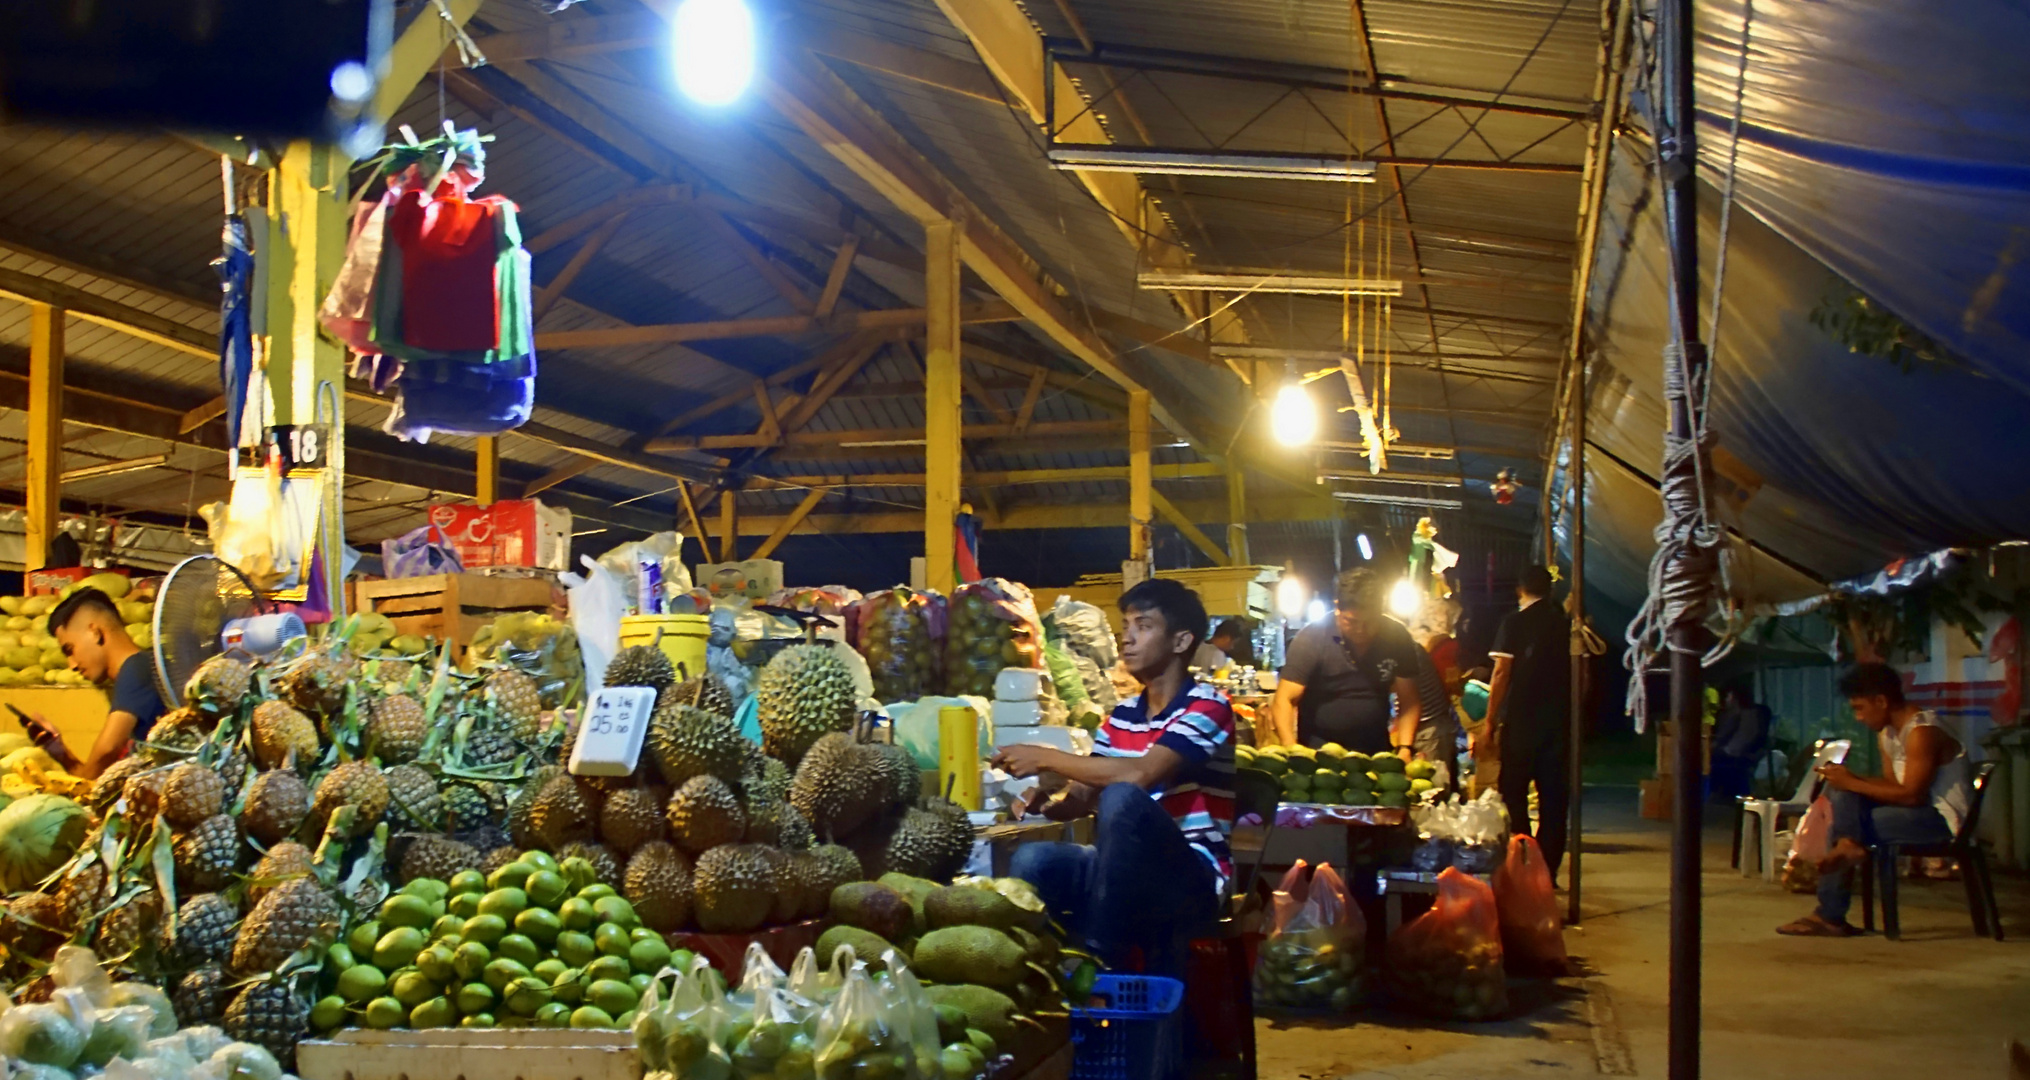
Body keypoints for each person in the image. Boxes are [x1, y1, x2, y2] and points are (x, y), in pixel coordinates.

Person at [994, 579, 1235, 975]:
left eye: (1144, 626)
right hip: (1122, 873)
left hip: (1191, 878)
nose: (1128, 639)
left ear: (1180, 641)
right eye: (1126, 627)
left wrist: (1047, 757)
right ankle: (1040, 974)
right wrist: (1048, 803)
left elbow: (1139, 774)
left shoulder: (1209, 706)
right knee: (1033, 859)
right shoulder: (1122, 716)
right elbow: (1083, 797)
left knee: (1123, 797)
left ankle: (1101, 959)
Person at [1777, 662, 1972, 937]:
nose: (1858, 717)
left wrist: (1853, 782)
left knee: (1851, 819)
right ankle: (1847, 847)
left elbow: (1913, 796)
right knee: (1842, 792)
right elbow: (1892, 785)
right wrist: (1847, 781)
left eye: (1859, 708)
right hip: (1911, 812)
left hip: (1941, 820)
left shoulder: (1922, 732)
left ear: (1881, 701)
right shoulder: (1889, 733)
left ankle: (1830, 913)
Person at [1270, 568, 1423, 757]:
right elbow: (1285, 698)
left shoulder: (1397, 636)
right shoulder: (1311, 638)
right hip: (1319, 752)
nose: (1361, 629)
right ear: (1337, 608)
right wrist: (1290, 748)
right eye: (1351, 621)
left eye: (1370, 622)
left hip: (1376, 752)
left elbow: (1409, 700)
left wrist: (1405, 747)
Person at [1480, 566, 1572, 879]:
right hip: (1559, 724)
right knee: (1554, 799)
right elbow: (1582, 679)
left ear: (1520, 590)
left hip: (1521, 722)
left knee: (1514, 791)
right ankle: (1548, 870)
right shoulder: (1565, 625)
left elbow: (1502, 672)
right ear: (1550, 591)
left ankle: (1522, 861)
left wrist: (1490, 721)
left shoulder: (1514, 623)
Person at [21, 587, 163, 779]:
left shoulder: (136, 669)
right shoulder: (137, 670)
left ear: (95, 632)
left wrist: (84, 792)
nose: (71, 665)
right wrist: (60, 752)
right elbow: (96, 773)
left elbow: (108, 750)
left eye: (70, 650)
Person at [1710, 686, 1771, 798]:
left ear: (1734, 697)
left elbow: (1742, 740)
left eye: (1728, 696)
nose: (1726, 700)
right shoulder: (1732, 715)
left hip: (1737, 755)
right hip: (1733, 752)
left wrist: (1719, 748)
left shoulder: (1749, 715)